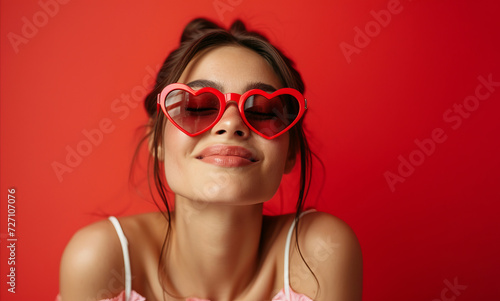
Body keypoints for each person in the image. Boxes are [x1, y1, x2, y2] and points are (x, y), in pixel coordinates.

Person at [58, 18, 362, 301]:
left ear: (290, 153)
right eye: (197, 106)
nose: (231, 124)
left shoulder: (319, 253)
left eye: (262, 111)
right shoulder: (100, 259)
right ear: (157, 140)